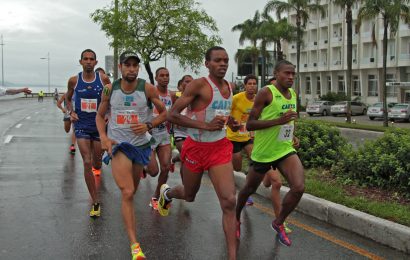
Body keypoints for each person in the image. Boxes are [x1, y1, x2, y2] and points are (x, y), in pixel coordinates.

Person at [159, 46, 238, 260]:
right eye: (218, 60)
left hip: (219, 148)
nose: (223, 64)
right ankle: (167, 194)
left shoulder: (231, 86)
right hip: (196, 147)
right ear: (207, 64)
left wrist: (231, 122)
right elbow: (172, 115)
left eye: (226, 60)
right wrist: (205, 127)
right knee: (190, 195)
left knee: (230, 201)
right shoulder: (199, 85)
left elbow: (220, 114)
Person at [96, 50, 166, 260]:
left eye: (135, 65)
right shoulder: (110, 90)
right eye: (128, 65)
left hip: (141, 146)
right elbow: (100, 116)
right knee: (127, 192)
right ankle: (135, 245)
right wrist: (104, 138)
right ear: (120, 68)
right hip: (119, 145)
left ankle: (140, 174)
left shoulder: (147, 88)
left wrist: (148, 124)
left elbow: (165, 113)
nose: (131, 69)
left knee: (133, 190)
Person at [235, 60, 304, 247]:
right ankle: (235, 218)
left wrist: (292, 135)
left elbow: (290, 120)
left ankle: (278, 222)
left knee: (298, 187)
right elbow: (250, 124)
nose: (290, 77)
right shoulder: (266, 93)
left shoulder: (292, 94)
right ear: (276, 73)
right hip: (264, 152)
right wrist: (279, 121)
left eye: (293, 74)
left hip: (283, 149)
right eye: (286, 73)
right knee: (248, 189)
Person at [65, 49, 111, 217]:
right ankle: (95, 201)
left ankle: (100, 161)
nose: (89, 61)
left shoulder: (103, 79)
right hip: (82, 124)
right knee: (86, 161)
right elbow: (68, 99)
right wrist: (71, 112)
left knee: (97, 164)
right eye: (86, 59)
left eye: (92, 59)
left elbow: (111, 98)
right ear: (81, 61)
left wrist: (108, 114)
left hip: (98, 126)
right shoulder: (74, 81)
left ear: (96, 62)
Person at [145, 67, 175, 210]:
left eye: (167, 75)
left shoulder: (172, 95)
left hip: (163, 135)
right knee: (153, 171)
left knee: (166, 167)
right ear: (156, 78)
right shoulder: (150, 92)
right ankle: (143, 167)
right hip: (149, 136)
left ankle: (156, 196)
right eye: (161, 75)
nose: (165, 78)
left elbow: (174, 113)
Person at [227, 74, 257, 206]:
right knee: (237, 167)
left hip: (247, 137)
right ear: (245, 86)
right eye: (249, 84)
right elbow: (226, 112)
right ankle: (235, 189)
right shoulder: (236, 98)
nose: (252, 86)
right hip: (233, 137)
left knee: (255, 159)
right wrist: (232, 123)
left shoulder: (257, 100)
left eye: (254, 83)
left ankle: (246, 193)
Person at [170, 75, 194, 173]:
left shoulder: (197, 98)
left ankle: (175, 159)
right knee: (186, 155)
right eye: (186, 81)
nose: (189, 84)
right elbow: (170, 114)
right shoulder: (176, 96)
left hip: (193, 133)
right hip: (180, 132)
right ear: (181, 83)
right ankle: (185, 183)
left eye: (191, 82)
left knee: (188, 156)